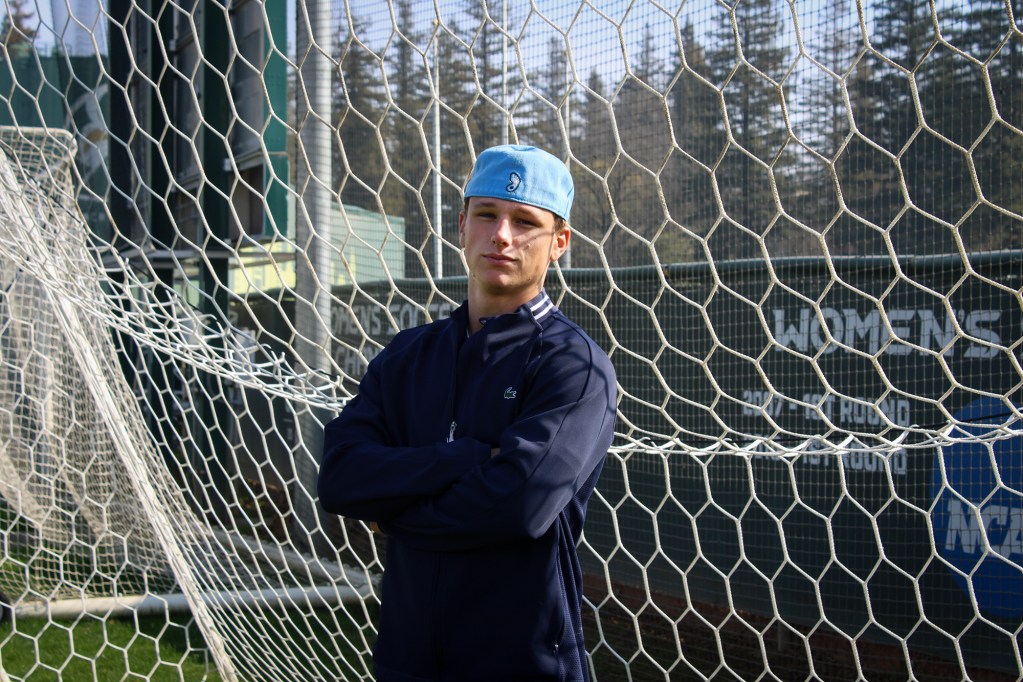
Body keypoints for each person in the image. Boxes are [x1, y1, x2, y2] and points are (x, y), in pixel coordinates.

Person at [318, 145, 617, 682]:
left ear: (559, 244)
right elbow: (340, 478)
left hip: (523, 663)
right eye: (487, 215)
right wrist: (468, 457)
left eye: (525, 221)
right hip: (406, 659)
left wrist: (393, 510)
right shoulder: (407, 356)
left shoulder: (576, 367)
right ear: (461, 226)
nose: (501, 235)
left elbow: (520, 506)